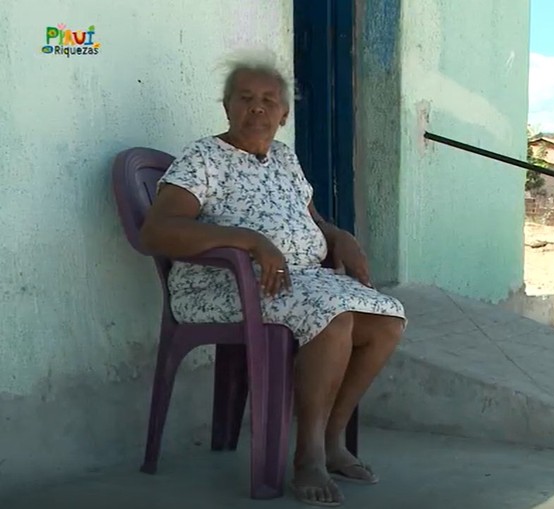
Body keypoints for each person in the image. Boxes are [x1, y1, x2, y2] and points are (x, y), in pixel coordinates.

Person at [139, 54, 406, 507]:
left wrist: (339, 236)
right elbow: (157, 231)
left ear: (284, 113)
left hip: (297, 282)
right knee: (335, 319)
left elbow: (309, 218)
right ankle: (309, 458)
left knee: (386, 321)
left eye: (269, 100)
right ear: (227, 107)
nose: (257, 108)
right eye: (245, 98)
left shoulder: (283, 158)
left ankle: (332, 438)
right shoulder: (204, 158)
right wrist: (246, 239)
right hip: (224, 287)